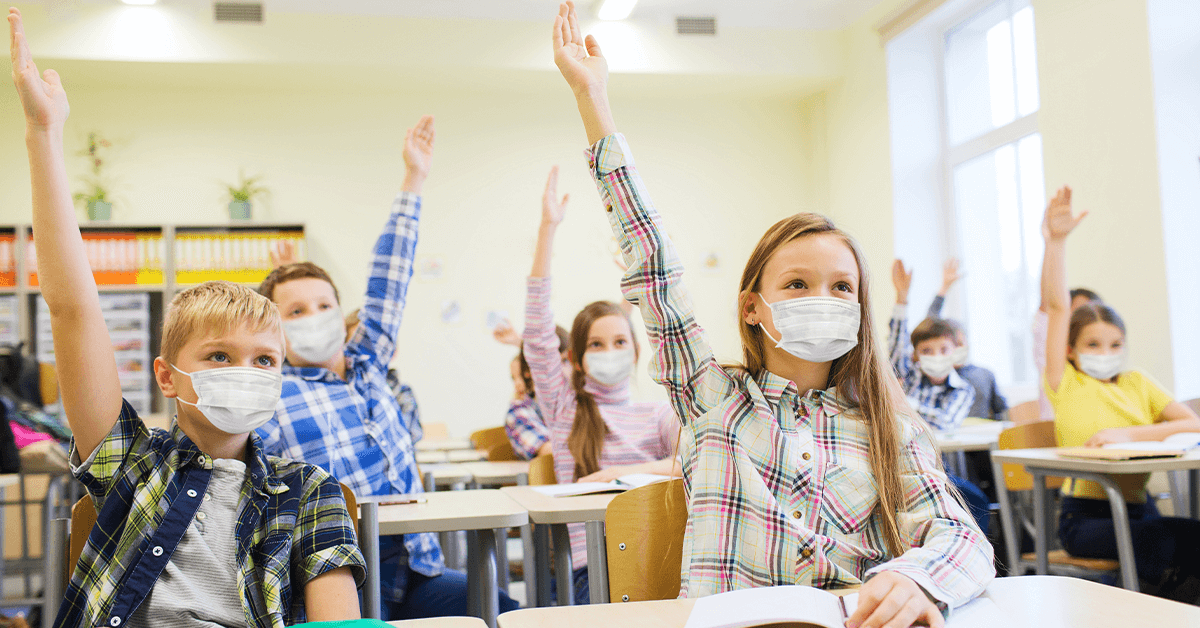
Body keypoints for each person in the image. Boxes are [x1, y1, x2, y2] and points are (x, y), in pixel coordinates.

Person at [549, 3, 994, 625]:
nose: (822, 299)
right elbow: (652, 263)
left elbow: (963, 537)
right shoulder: (712, 397)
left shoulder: (890, 425)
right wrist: (593, 101)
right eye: (797, 283)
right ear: (752, 307)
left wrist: (916, 581)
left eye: (842, 287)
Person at [7, 9, 364, 626]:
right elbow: (72, 311)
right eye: (219, 356)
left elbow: (338, 621)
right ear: (168, 376)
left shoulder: (310, 492)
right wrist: (44, 136)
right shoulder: (131, 464)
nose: (244, 372)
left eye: (265, 360)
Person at [254, 117, 517, 619]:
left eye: (324, 305)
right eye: (295, 311)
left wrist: (413, 180)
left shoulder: (368, 362)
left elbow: (389, 277)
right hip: (329, 578)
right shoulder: (272, 393)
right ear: (275, 331)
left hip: (413, 566)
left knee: (499, 610)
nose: (315, 318)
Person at [523, 165, 679, 604]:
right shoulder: (565, 409)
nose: (609, 350)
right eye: (596, 343)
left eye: (618, 341)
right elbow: (536, 335)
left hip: (665, 563)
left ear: (635, 350)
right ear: (575, 356)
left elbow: (697, 464)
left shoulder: (660, 413)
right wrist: (547, 230)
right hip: (593, 569)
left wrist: (620, 475)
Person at [1041, 186, 1200, 603]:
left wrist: (1129, 435)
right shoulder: (1066, 383)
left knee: (1186, 535)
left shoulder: (1137, 382)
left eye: (1115, 344)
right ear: (1071, 350)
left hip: (1138, 507)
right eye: (1093, 344)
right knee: (1163, 540)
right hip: (1084, 519)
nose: (1106, 354)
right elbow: (1057, 308)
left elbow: (1192, 424)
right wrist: (1056, 243)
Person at [889, 261, 975, 432]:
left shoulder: (963, 389)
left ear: (955, 351)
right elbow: (897, 346)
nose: (936, 356)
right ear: (915, 355)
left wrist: (902, 403)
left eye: (944, 350)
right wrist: (902, 298)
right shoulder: (909, 377)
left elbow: (945, 423)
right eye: (927, 351)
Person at [923, 259, 1008, 421]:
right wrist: (944, 289)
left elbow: (1002, 412)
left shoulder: (984, 375)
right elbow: (928, 328)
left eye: (960, 344)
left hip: (980, 443)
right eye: (952, 345)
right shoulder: (939, 378)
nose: (956, 349)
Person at [494, 321, 568, 460]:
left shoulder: (578, 401)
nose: (561, 370)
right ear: (528, 371)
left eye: (565, 361)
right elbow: (550, 451)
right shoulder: (518, 413)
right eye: (550, 362)